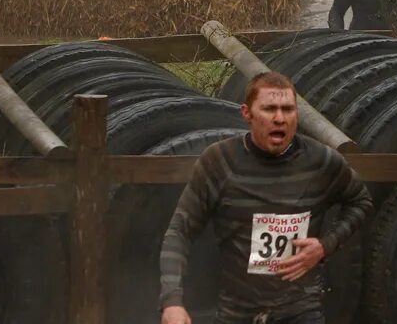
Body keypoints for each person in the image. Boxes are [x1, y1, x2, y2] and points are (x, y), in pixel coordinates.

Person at [159, 71, 373, 324]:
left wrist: (325, 245)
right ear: (247, 114)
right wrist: (172, 302)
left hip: (300, 311)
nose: (280, 119)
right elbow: (179, 232)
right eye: (270, 109)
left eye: (288, 109)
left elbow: (361, 201)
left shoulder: (321, 161)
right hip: (237, 312)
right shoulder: (219, 161)